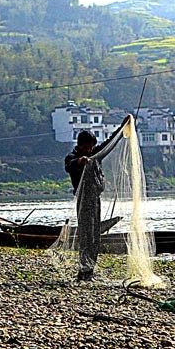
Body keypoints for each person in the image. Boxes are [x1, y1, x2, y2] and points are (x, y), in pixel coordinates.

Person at [64, 115, 130, 281]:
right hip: (83, 201)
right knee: (86, 236)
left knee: (94, 236)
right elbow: (70, 165)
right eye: (87, 147)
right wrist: (81, 161)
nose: (90, 150)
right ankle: (83, 271)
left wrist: (123, 126)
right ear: (80, 145)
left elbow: (109, 143)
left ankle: (90, 270)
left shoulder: (95, 154)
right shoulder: (72, 157)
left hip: (95, 200)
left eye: (92, 147)